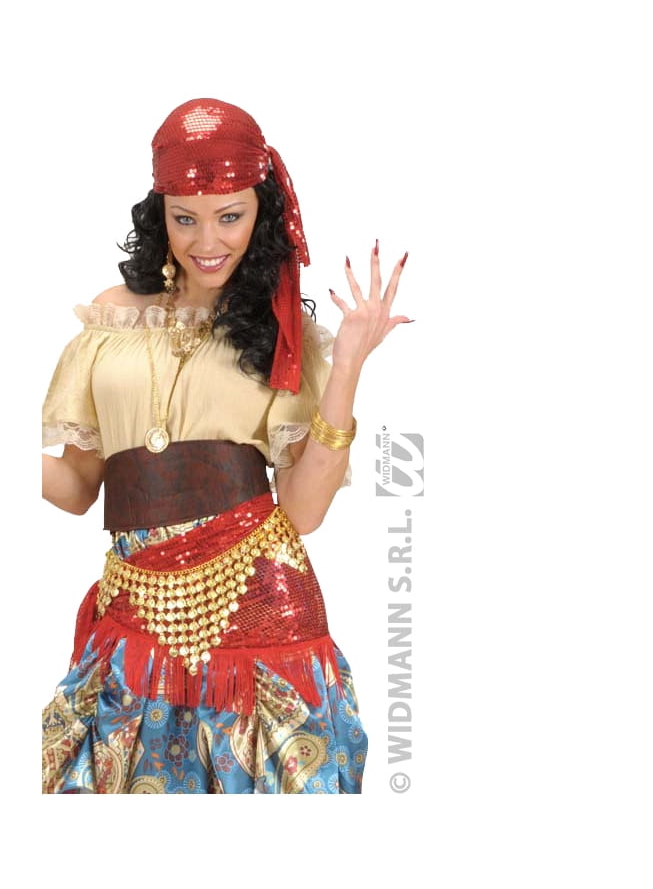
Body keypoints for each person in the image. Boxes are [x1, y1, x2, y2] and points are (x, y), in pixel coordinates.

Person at [41, 98, 411, 794]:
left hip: (259, 605)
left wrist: (348, 367)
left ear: (261, 214)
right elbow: (76, 486)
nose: (206, 240)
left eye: (230, 217)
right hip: (134, 603)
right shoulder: (112, 318)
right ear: (160, 213)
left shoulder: (280, 335)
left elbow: (302, 511)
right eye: (185, 218)